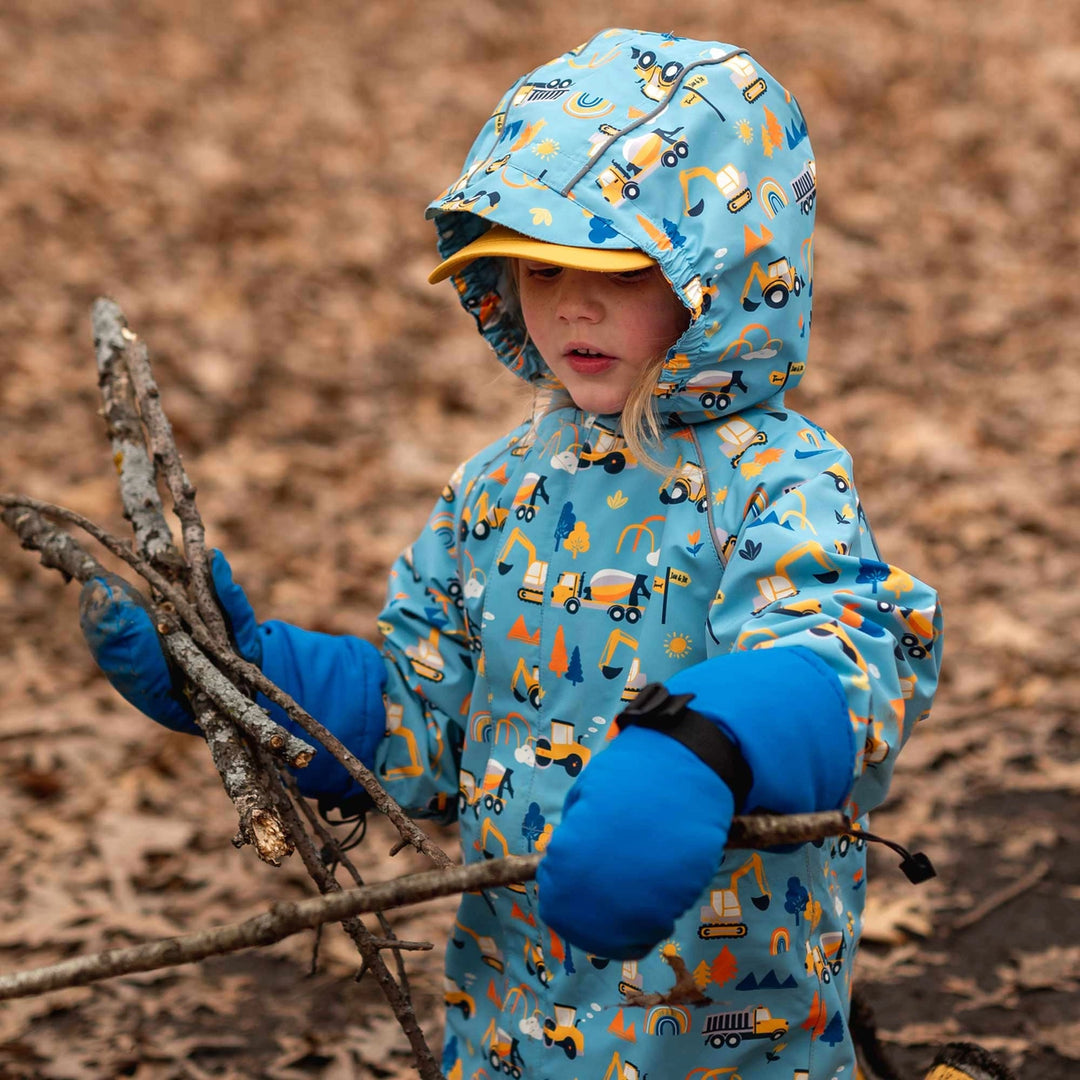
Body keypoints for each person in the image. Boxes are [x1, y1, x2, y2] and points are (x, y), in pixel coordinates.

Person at [81, 29, 943, 1080]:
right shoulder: (500, 489)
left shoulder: (778, 478)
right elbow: (421, 713)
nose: (571, 302)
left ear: (717, 267)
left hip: (725, 1031)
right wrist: (254, 684)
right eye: (540, 264)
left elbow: (851, 660)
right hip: (515, 1025)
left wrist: (702, 750)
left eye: (615, 267)